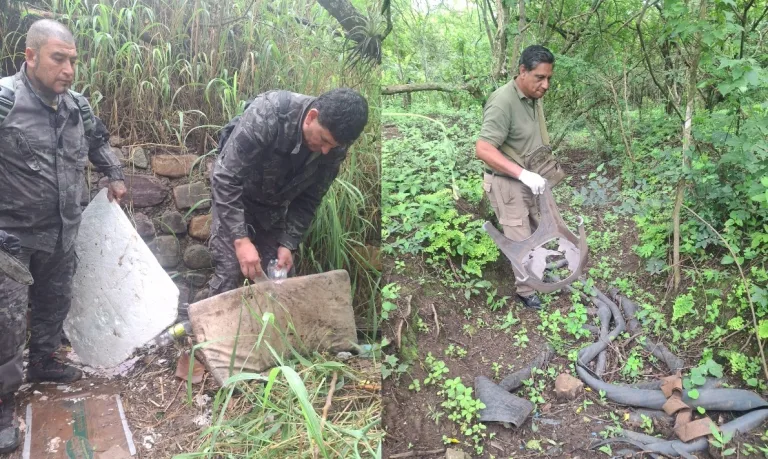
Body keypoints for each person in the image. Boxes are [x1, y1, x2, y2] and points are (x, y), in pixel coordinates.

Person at [0, 19, 126, 453]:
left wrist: (114, 174)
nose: (69, 70)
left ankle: (44, 362)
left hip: (61, 230)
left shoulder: (77, 106)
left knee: (55, 301)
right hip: (11, 238)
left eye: (73, 60)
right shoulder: (5, 100)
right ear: (31, 56)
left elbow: (98, 141)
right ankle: (2, 403)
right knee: (6, 322)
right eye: (58, 59)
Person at [208, 88, 368, 295]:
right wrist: (241, 240)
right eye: (324, 140)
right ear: (311, 117)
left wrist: (288, 243)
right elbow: (225, 178)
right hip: (235, 200)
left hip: (273, 210)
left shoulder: (335, 146)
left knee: (280, 277)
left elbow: (310, 199)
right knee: (229, 271)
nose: (326, 150)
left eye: (333, 146)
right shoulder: (269, 113)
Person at [475, 45, 556, 310]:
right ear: (522, 71)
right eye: (540, 78)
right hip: (509, 185)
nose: (545, 85)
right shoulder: (503, 101)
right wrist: (523, 174)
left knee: (537, 231)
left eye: (549, 78)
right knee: (521, 239)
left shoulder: (532, 97)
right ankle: (525, 291)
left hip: (530, 180)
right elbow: (483, 149)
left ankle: (537, 274)